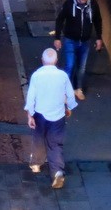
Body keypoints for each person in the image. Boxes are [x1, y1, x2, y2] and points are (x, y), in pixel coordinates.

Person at [24, 47, 77, 189]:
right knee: (55, 144)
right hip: (58, 115)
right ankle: (58, 171)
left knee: (38, 139)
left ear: (42, 61)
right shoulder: (63, 76)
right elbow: (70, 96)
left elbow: (31, 97)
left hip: (40, 114)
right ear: (56, 61)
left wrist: (30, 114)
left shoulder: (36, 75)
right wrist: (69, 108)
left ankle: (36, 164)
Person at [53, 0, 103, 100]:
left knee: (81, 67)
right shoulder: (69, 4)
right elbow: (60, 20)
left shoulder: (93, 5)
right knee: (70, 65)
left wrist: (99, 38)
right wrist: (57, 38)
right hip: (70, 39)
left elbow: (98, 21)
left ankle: (77, 88)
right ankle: (64, 92)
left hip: (85, 41)